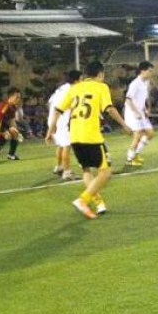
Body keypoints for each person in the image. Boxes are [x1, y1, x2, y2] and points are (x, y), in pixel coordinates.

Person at [46, 61, 131, 219]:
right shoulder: (101, 87)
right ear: (100, 74)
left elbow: (57, 110)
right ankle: (82, 200)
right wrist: (124, 124)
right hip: (91, 135)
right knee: (106, 172)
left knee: (86, 169)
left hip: (75, 136)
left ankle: (99, 203)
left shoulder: (75, 88)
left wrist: (50, 131)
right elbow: (109, 109)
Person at [47, 70, 81, 180]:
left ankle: (59, 167)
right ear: (76, 80)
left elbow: (50, 102)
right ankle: (67, 172)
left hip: (53, 118)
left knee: (61, 145)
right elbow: (71, 106)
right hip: (61, 120)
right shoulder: (72, 90)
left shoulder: (62, 88)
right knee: (67, 145)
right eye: (81, 78)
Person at [124, 61, 155, 166]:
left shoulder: (146, 82)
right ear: (142, 71)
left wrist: (146, 109)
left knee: (150, 134)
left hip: (141, 112)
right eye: (149, 71)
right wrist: (136, 112)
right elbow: (128, 99)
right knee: (138, 135)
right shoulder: (135, 84)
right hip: (132, 112)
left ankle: (136, 154)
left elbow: (144, 98)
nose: (151, 73)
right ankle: (129, 159)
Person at [0, 87, 23, 161]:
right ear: (11, 97)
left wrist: (17, 132)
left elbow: (12, 122)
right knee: (7, 136)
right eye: (17, 97)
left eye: (19, 97)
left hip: (1, 123)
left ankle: (11, 155)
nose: (19, 99)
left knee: (14, 133)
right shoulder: (4, 106)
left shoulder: (13, 107)